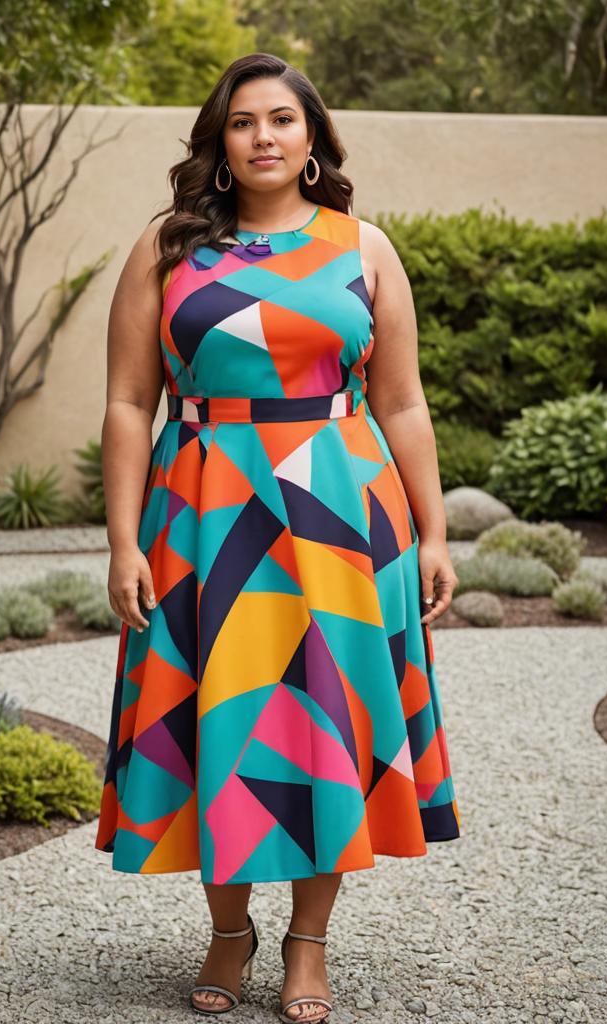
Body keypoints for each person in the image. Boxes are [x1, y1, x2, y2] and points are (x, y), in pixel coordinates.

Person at [96, 51, 462, 1023]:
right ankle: (228, 929)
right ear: (219, 145)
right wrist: (122, 541)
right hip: (205, 517)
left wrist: (432, 532)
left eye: (282, 121)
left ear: (311, 142)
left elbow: (405, 402)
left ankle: (307, 940)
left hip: (338, 517)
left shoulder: (363, 247)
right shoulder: (166, 249)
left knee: (322, 723)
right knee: (217, 716)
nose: (263, 135)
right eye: (243, 121)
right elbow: (131, 402)